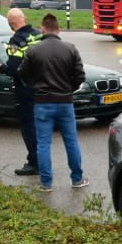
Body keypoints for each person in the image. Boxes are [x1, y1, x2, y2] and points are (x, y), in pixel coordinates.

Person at [19, 13, 87, 192]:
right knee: (71, 142)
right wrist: (68, 89)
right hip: (65, 102)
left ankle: (46, 183)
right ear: (59, 29)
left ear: (42, 29)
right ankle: (77, 179)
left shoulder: (33, 50)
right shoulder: (70, 48)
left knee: (43, 144)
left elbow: (22, 73)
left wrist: (35, 87)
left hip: (42, 102)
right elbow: (80, 76)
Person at [1, 7, 40, 176]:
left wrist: (2, 68)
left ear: (11, 25)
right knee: (41, 128)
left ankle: (34, 163)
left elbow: (13, 68)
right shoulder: (39, 34)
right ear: (24, 18)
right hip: (43, 87)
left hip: (25, 90)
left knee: (29, 127)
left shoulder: (16, 41)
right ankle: (43, 160)